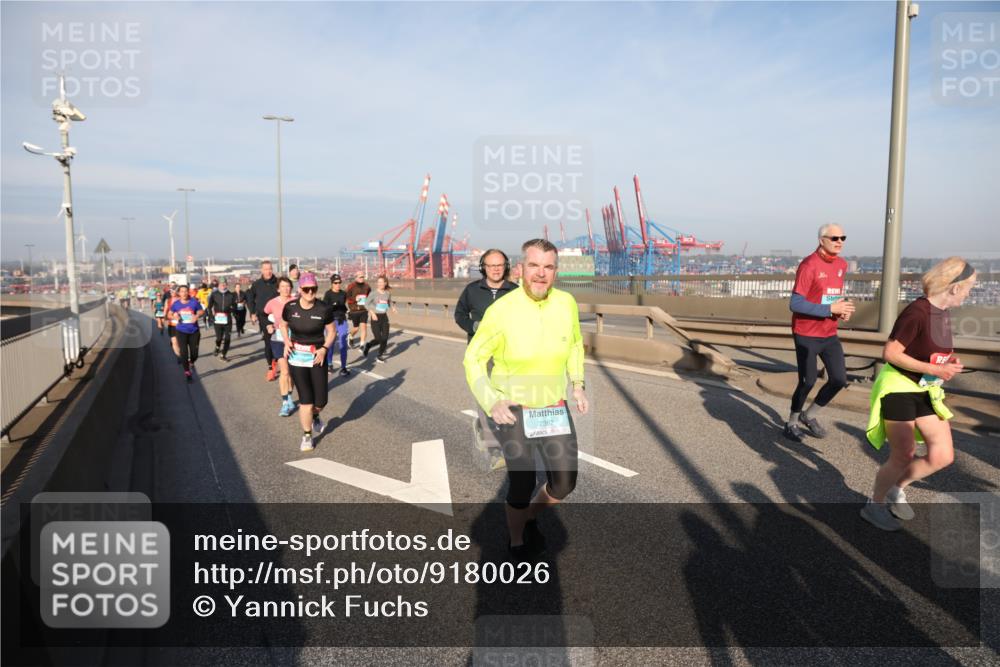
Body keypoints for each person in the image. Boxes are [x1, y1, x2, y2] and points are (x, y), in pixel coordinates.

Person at [464, 239, 588, 560]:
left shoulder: (566, 303)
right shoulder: (501, 310)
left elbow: (575, 344)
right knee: (522, 481)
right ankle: (517, 541)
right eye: (534, 266)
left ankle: (531, 516)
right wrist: (491, 400)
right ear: (521, 269)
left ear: (556, 272)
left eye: (548, 267)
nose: (541, 274)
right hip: (513, 408)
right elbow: (473, 359)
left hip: (553, 407)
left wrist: (577, 383)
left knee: (564, 484)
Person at [860, 258, 976, 531]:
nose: (971, 293)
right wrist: (935, 367)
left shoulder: (942, 312)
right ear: (954, 287)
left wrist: (946, 365)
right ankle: (873, 505)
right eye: (969, 287)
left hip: (925, 388)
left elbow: (929, 350)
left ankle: (896, 487)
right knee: (904, 454)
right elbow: (890, 353)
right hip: (898, 386)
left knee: (943, 456)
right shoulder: (917, 312)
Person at [783, 224, 856, 443]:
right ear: (821, 239)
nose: (840, 241)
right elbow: (795, 303)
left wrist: (841, 310)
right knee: (808, 381)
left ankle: (809, 415)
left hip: (829, 333)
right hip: (806, 333)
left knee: (839, 379)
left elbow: (831, 296)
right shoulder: (809, 265)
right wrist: (829, 310)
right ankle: (791, 422)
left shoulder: (842, 264)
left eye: (843, 237)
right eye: (834, 237)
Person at [455, 249, 519, 470]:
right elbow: (459, 314)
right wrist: (473, 326)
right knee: (487, 396)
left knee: (510, 396)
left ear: (506, 266)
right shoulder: (472, 290)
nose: (496, 269)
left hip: (507, 353)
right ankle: (494, 449)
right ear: (483, 267)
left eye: (500, 265)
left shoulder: (516, 292)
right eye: (491, 265)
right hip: (480, 353)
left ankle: (502, 432)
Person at [281, 272, 336, 452]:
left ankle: (315, 416)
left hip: (317, 357)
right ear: (300, 290)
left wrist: (324, 348)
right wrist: (287, 341)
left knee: (320, 401)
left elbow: (332, 332)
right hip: (296, 358)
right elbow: (283, 324)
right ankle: (306, 436)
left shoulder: (324, 309)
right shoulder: (290, 308)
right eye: (306, 289)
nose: (310, 292)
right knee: (306, 400)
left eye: (313, 289)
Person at [265, 277, 297, 417]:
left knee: (292, 373)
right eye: (283, 286)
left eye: (288, 286)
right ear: (278, 289)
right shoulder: (272, 303)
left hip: (294, 340)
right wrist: (267, 325)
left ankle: (289, 395)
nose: (286, 289)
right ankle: (285, 402)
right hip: (278, 339)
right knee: (284, 371)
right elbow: (264, 314)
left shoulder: (296, 302)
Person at [247, 261, 280, 381]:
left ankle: (277, 360)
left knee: (281, 340)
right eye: (266, 269)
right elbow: (250, 298)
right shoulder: (256, 285)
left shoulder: (278, 283)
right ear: (262, 270)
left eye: (270, 269)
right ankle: (270, 367)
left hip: (279, 317)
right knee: (268, 341)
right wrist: (252, 312)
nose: (268, 271)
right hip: (264, 317)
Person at [169, 285, 203, 383]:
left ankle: (191, 362)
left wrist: (197, 315)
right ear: (179, 293)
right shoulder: (176, 304)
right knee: (184, 353)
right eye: (182, 291)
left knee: (195, 354)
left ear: (188, 292)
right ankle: (187, 372)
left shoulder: (194, 302)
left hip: (194, 331)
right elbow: (169, 314)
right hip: (181, 331)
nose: (184, 293)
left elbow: (201, 311)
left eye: (185, 291)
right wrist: (174, 316)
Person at [362, 275, 398, 363]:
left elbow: (389, 302)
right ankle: (368, 345)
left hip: (384, 317)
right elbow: (366, 304)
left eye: (381, 282)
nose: (380, 284)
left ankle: (379, 355)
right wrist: (372, 313)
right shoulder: (373, 293)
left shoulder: (387, 293)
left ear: (385, 283)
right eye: (378, 282)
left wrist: (393, 307)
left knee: (385, 338)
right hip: (375, 317)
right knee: (378, 339)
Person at [322, 273, 351, 377]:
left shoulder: (343, 293)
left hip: (342, 321)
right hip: (331, 322)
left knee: (343, 344)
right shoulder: (328, 294)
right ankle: (329, 364)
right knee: (331, 344)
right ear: (332, 284)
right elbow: (324, 308)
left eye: (339, 283)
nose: (338, 285)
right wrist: (333, 306)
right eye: (335, 283)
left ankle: (343, 367)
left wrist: (348, 310)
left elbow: (345, 306)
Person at [207, 279, 237, 361]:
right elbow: (209, 306)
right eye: (221, 284)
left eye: (224, 284)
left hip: (228, 319)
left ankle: (223, 355)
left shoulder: (231, 295)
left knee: (227, 338)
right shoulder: (214, 294)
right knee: (219, 338)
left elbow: (235, 307)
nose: (223, 285)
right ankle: (217, 347)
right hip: (218, 319)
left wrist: (233, 312)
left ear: (227, 284)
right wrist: (211, 316)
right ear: (218, 285)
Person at [346, 271, 371, 349]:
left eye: (363, 277)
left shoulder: (367, 286)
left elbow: (370, 296)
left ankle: (362, 344)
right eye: (360, 277)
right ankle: (350, 335)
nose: (362, 278)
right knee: (356, 328)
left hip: (364, 309)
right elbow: (347, 297)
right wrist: (354, 299)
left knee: (364, 326)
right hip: (354, 310)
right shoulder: (351, 286)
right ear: (356, 277)